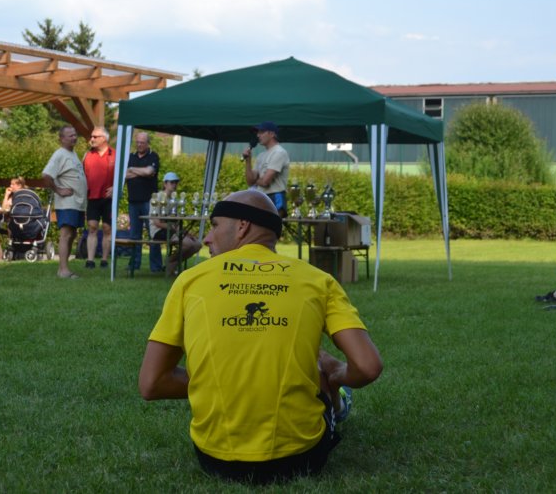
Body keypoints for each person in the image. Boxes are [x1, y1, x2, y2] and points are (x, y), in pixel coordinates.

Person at [139, 189, 383, 484]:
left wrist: (223, 379)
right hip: (302, 458)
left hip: (215, 459)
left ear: (242, 226)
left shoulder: (190, 280)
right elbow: (367, 366)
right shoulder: (317, 279)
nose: (206, 238)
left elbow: (151, 383)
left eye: (215, 225)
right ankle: (338, 400)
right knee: (319, 364)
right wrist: (336, 372)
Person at [43, 125, 87, 279]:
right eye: (70, 136)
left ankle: (64, 267)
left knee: (72, 234)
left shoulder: (73, 154)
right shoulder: (59, 154)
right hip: (67, 203)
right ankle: (63, 270)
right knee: (66, 234)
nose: (74, 138)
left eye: (75, 134)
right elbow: (46, 175)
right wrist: (58, 190)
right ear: (61, 139)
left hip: (76, 203)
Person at [150, 172, 202, 276]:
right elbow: (157, 223)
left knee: (197, 245)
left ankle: (172, 262)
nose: (174, 185)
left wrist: (185, 232)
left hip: (171, 229)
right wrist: (175, 229)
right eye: (172, 182)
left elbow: (176, 221)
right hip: (158, 231)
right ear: (165, 184)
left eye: (176, 182)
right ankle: (170, 262)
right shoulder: (157, 197)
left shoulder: (175, 199)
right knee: (188, 244)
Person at [125, 131, 162, 272]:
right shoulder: (130, 157)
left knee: (153, 234)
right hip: (133, 202)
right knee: (134, 235)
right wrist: (142, 172)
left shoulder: (153, 156)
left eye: (142, 142)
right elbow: (124, 174)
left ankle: (156, 266)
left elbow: (149, 172)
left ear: (148, 143)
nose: (139, 145)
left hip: (149, 202)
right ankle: (134, 264)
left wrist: (132, 169)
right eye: (138, 142)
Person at [83, 126, 115, 269]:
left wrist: (116, 188)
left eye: (95, 137)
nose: (92, 139)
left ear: (104, 139)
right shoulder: (87, 155)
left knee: (107, 228)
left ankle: (104, 259)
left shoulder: (115, 154)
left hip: (109, 198)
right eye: (92, 136)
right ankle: (90, 260)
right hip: (92, 197)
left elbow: (123, 175)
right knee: (92, 227)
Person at [243, 121, 290, 217]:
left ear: (272, 134)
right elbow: (249, 181)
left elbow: (265, 182)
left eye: (261, 132)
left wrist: (256, 180)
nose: (258, 135)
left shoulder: (279, 152)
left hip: (275, 197)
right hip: (261, 197)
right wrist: (248, 161)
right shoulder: (261, 155)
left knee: (271, 226)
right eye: (257, 132)